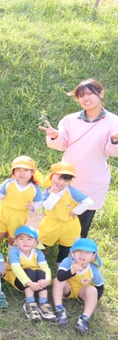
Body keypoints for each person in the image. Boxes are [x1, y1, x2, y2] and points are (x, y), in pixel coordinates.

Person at [40, 78, 118, 238]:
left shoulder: (114, 121)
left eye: (90, 94)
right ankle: (52, 243)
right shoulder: (70, 119)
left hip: (93, 178)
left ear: (101, 94)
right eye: (81, 96)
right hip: (66, 177)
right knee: (57, 211)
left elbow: (112, 151)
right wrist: (54, 136)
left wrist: (115, 141)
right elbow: (61, 144)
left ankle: (77, 249)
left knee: (83, 219)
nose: (86, 98)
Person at [38, 162, 93, 264]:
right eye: (59, 179)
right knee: (43, 241)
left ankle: (61, 262)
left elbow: (88, 202)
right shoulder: (48, 191)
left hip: (69, 224)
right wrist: (54, 194)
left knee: (66, 245)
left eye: (65, 180)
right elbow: (47, 206)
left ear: (70, 181)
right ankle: (39, 259)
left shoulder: (72, 191)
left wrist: (76, 211)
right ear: (52, 176)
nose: (61, 183)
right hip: (51, 223)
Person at [52, 238, 105, 334]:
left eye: (87, 252)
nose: (82, 254)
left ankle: (85, 318)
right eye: (79, 251)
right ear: (72, 253)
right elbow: (60, 277)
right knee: (57, 281)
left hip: (82, 291)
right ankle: (59, 308)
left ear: (93, 256)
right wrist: (72, 270)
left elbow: (100, 287)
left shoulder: (93, 269)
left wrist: (92, 299)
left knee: (92, 290)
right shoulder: (68, 261)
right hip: (67, 288)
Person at [3, 226, 55, 322]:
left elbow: (45, 267)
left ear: (35, 243)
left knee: (41, 273)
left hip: (35, 278)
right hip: (18, 278)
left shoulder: (38, 253)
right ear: (15, 241)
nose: (25, 242)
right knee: (29, 272)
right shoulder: (14, 252)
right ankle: (30, 302)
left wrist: (47, 280)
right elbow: (17, 269)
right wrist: (29, 283)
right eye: (21, 238)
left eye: (29, 239)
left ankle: (43, 303)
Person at [0, 156, 42, 246]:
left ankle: (11, 252)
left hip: (19, 216)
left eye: (26, 170)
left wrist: (33, 207)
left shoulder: (34, 188)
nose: (22, 173)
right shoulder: (8, 183)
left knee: (13, 237)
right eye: (18, 170)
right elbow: (0, 195)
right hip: (3, 212)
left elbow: (39, 202)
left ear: (32, 172)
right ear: (13, 172)